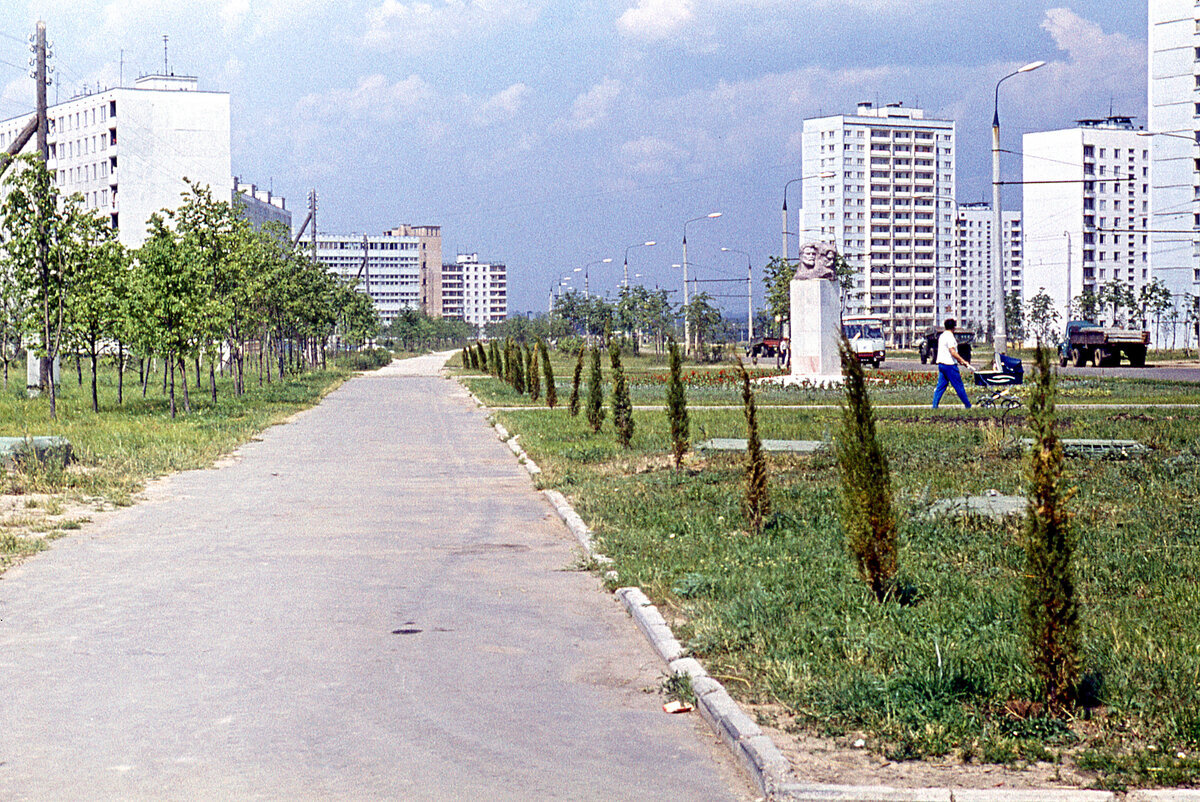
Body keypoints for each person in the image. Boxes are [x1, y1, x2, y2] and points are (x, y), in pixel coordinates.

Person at [932, 318, 972, 409]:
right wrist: (963, 361)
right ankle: (968, 405)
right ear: (954, 327)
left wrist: (960, 361)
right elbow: (952, 352)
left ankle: (934, 406)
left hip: (941, 364)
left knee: (941, 387)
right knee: (959, 386)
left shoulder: (942, 336)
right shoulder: (950, 337)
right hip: (949, 365)